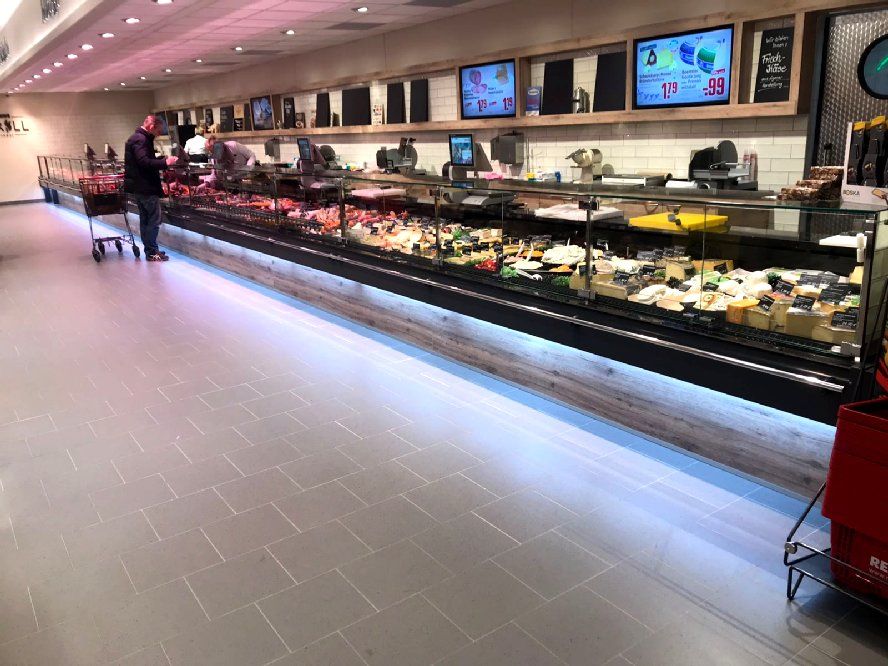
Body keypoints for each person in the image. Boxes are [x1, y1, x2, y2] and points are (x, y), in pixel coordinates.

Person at [124, 115, 179, 261]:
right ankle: (152, 252)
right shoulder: (141, 139)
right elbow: (144, 162)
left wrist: (159, 160)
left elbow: (143, 161)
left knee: (146, 220)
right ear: (152, 126)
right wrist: (165, 163)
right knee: (154, 220)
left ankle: (150, 250)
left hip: (139, 187)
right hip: (146, 187)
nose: (159, 134)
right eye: (158, 131)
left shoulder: (136, 138)